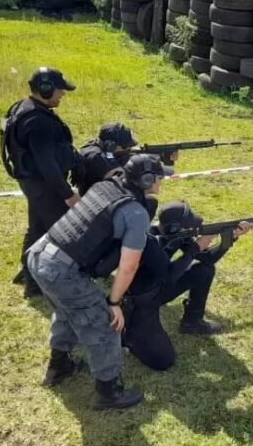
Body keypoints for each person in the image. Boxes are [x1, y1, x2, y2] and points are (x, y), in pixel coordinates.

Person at [26, 153, 172, 409]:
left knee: (67, 310)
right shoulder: (135, 213)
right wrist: (114, 302)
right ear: (148, 180)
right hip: (62, 269)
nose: (162, 181)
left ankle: (59, 367)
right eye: (159, 177)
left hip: (40, 254)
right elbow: (128, 266)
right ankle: (108, 392)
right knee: (106, 325)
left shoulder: (105, 186)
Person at [122, 202, 252, 371]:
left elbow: (206, 259)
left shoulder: (175, 235)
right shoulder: (148, 242)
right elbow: (170, 274)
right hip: (141, 302)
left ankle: (192, 321)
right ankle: (129, 336)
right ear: (174, 228)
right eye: (188, 227)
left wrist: (229, 238)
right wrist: (196, 247)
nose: (192, 230)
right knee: (163, 361)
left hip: (160, 287)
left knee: (204, 270)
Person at [0, 67, 82, 298]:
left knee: (37, 228)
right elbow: (48, 164)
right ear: (45, 89)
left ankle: (27, 271)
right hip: (45, 186)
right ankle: (36, 283)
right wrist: (68, 195)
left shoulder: (23, 108)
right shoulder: (38, 122)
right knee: (57, 235)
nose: (62, 95)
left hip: (33, 183)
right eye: (59, 90)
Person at [75, 122, 140, 195]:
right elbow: (121, 175)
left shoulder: (91, 146)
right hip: (94, 198)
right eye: (125, 146)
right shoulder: (97, 158)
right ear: (111, 145)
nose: (128, 148)